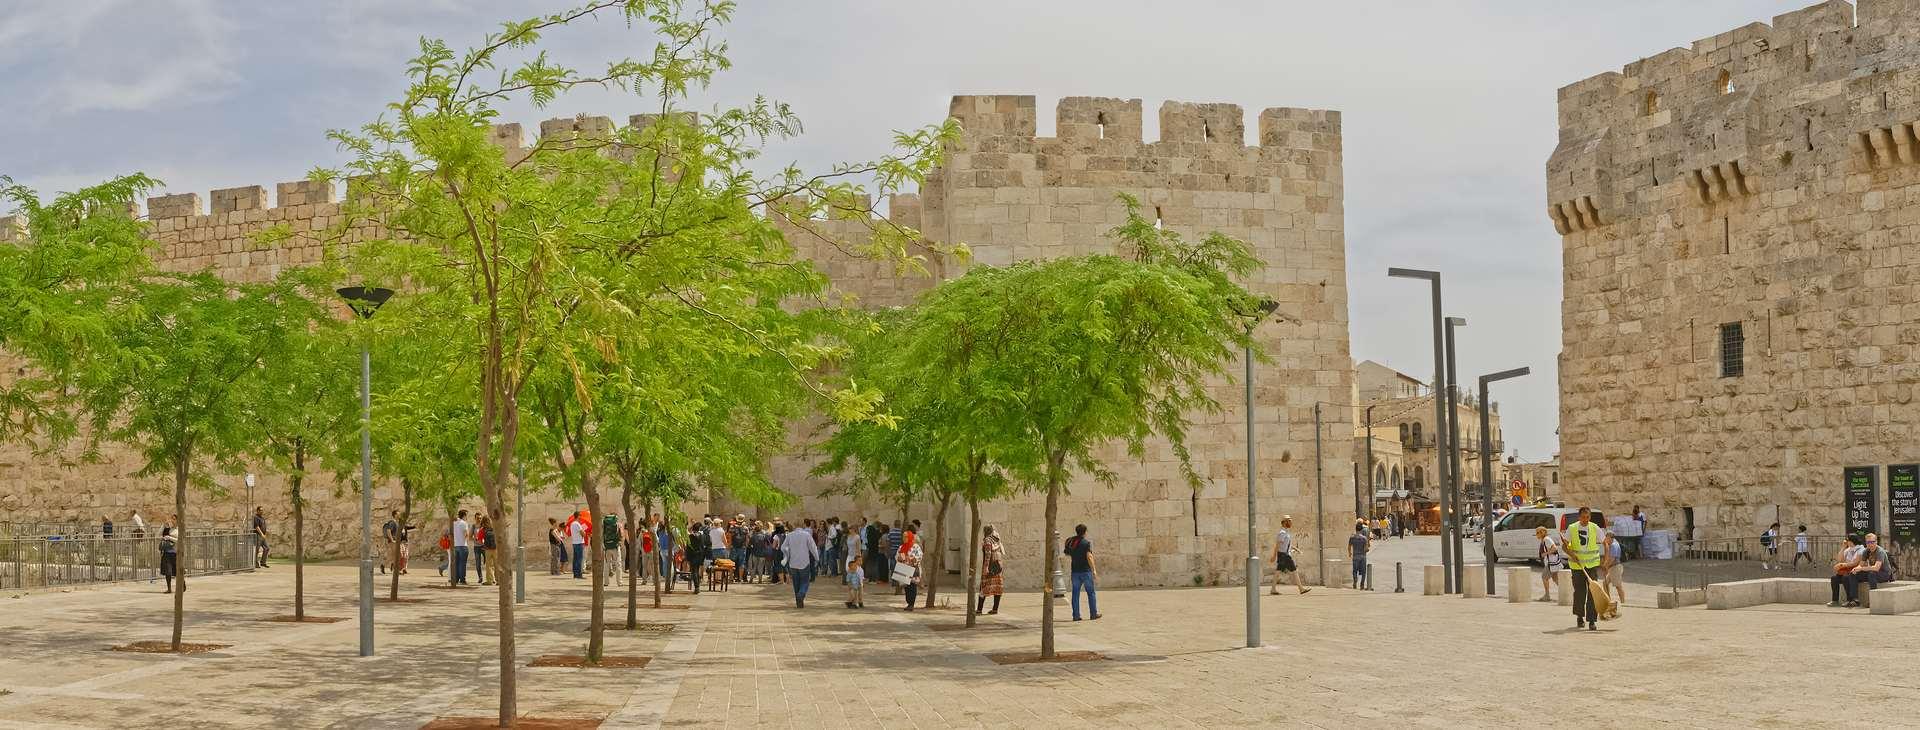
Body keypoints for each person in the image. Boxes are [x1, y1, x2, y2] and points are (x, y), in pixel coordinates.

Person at [1564, 506, 1605, 631]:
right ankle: (1579, 617)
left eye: (1587, 517)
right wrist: (1572, 555)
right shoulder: (1572, 528)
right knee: (1580, 593)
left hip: (1592, 566)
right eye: (1583, 517)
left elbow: (1605, 543)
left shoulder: (1594, 528)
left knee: (1594, 593)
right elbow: (1565, 547)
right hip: (1577, 567)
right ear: (1579, 517)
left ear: (1590, 517)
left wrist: (1605, 560)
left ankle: (1592, 620)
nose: (1585, 519)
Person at [1843, 534, 1893, 608]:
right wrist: (1856, 569)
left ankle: (1873, 600)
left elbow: (1876, 568)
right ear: (1866, 543)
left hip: (1885, 574)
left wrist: (1861, 568)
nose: (1870, 544)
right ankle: (1855, 600)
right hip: (1873, 572)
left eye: (1872, 542)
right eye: (1868, 542)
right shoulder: (1866, 551)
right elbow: (1861, 565)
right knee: (1852, 574)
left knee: (1871, 574)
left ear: (1876, 542)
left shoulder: (1880, 551)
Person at [1064, 523, 1099, 620]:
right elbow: (1089, 556)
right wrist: (1094, 570)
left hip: (1075, 571)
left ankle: (1076, 615)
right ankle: (1093, 614)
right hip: (1085, 571)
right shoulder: (1086, 543)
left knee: (1075, 594)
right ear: (1085, 532)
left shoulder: (1071, 541)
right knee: (1091, 592)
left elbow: (1067, 553)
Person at [783, 518, 820, 608]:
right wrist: (817, 558)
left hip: (793, 562)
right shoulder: (806, 535)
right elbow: (813, 547)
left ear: (794, 526)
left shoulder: (789, 535)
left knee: (796, 582)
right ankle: (801, 594)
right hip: (804, 562)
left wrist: (787, 556)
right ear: (803, 525)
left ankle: (798, 600)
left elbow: (783, 547)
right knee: (805, 581)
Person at [1270, 516, 1310, 595]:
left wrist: (1296, 549)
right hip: (1283, 555)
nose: (1291, 523)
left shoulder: (1286, 532)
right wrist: (1274, 556)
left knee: (1279, 571)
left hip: (1285, 555)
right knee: (1293, 570)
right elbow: (1278, 544)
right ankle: (1301, 588)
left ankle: (1273, 589)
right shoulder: (1282, 533)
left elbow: (1288, 544)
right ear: (1285, 522)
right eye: (1289, 521)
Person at [1827, 535, 1865, 607]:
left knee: (1845, 578)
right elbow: (1840, 560)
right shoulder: (1848, 549)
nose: (1846, 542)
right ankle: (1835, 600)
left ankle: (1849, 600)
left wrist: (1842, 565)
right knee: (1834, 578)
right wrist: (1843, 547)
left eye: (1847, 540)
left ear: (1851, 541)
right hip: (1847, 571)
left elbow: (1855, 563)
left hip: (1856, 571)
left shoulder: (1861, 549)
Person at [977, 525, 1006, 614]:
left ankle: (979, 610)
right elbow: (1003, 552)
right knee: (998, 588)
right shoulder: (997, 539)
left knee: (983, 587)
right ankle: (995, 609)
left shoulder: (987, 540)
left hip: (990, 567)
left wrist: (985, 568)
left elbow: (988, 554)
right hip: (998, 567)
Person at [897, 522, 923, 610]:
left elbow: (919, 556)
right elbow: (897, 556)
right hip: (904, 569)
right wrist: (901, 558)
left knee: (912, 586)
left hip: (912, 569)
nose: (904, 538)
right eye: (903, 537)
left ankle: (911, 604)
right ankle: (909, 603)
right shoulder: (902, 547)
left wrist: (910, 559)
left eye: (906, 537)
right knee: (906, 587)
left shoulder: (915, 547)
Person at [1534, 526, 1561, 602]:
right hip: (1552, 562)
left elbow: (1555, 548)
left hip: (1551, 562)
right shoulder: (1544, 540)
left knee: (1544, 577)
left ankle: (1547, 595)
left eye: (1539, 532)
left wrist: (1545, 554)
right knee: (1555, 579)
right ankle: (1566, 592)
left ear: (1543, 532)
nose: (1537, 534)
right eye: (1537, 533)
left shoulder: (1546, 539)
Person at [1601, 531, 1626, 608]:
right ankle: (1608, 600)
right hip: (1612, 568)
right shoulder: (1611, 544)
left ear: (1610, 537)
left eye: (1607, 537)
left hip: (1615, 567)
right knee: (1605, 583)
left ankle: (1623, 603)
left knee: (1618, 586)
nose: (1605, 539)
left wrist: (1605, 566)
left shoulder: (1614, 545)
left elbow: (1612, 559)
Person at [684, 519, 709, 594]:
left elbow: (688, 547)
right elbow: (703, 546)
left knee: (694, 571)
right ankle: (697, 586)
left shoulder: (691, 536)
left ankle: (697, 587)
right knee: (697, 570)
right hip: (700, 555)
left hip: (692, 555)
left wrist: (687, 558)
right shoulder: (702, 536)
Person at [1347, 521, 1371, 588]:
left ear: (1356, 529)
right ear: (1361, 530)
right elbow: (1366, 549)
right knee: (1363, 571)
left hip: (1355, 556)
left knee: (1355, 571)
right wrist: (1367, 550)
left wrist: (1350, 553)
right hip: (1363, 556)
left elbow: (1349, 546)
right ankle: (1362, 584)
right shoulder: (1364, 538)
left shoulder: (1352, 537)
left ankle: (1355, 582)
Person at [602, 511, 623, 587]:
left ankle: (606, 582)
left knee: (606, 564)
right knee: (618, 564)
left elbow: (602, 534)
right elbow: (621, 534)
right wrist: (620, 542)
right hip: (615, 546)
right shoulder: (618, 524)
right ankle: (619, 582)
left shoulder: (604, 523)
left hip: (607, 546)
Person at [451, 510, 472, 586]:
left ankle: (456, 579)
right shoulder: (464, 523)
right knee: (463, 563)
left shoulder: (454, 523)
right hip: (463, 545)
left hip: (456, 546)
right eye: (466, 515)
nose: (467, 517)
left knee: (456, 563)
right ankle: (462, 579)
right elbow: (466, 535)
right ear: (464, 515)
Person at [158, 516, 179, 593]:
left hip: (176, 553)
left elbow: (179, 540)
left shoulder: (179, 529)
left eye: (174, 519)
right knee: (168, 572)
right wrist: (163, 525)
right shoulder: (169, 529)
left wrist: (169, 538)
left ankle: (182, 584)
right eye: (171, 518)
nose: (172, 520)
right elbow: (159, 534)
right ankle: (169, 588)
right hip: (167, 553)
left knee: (177, 572)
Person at [568, 509, 590, 579]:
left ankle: (575, 573)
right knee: (579, 559)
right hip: (579, 543)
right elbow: (583, 534)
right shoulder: (577, 524)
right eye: (580, 516)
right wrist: (584, 531)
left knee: (575, 559)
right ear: (578, 516)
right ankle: (579, 574)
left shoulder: (572, 524)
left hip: (574, 542)